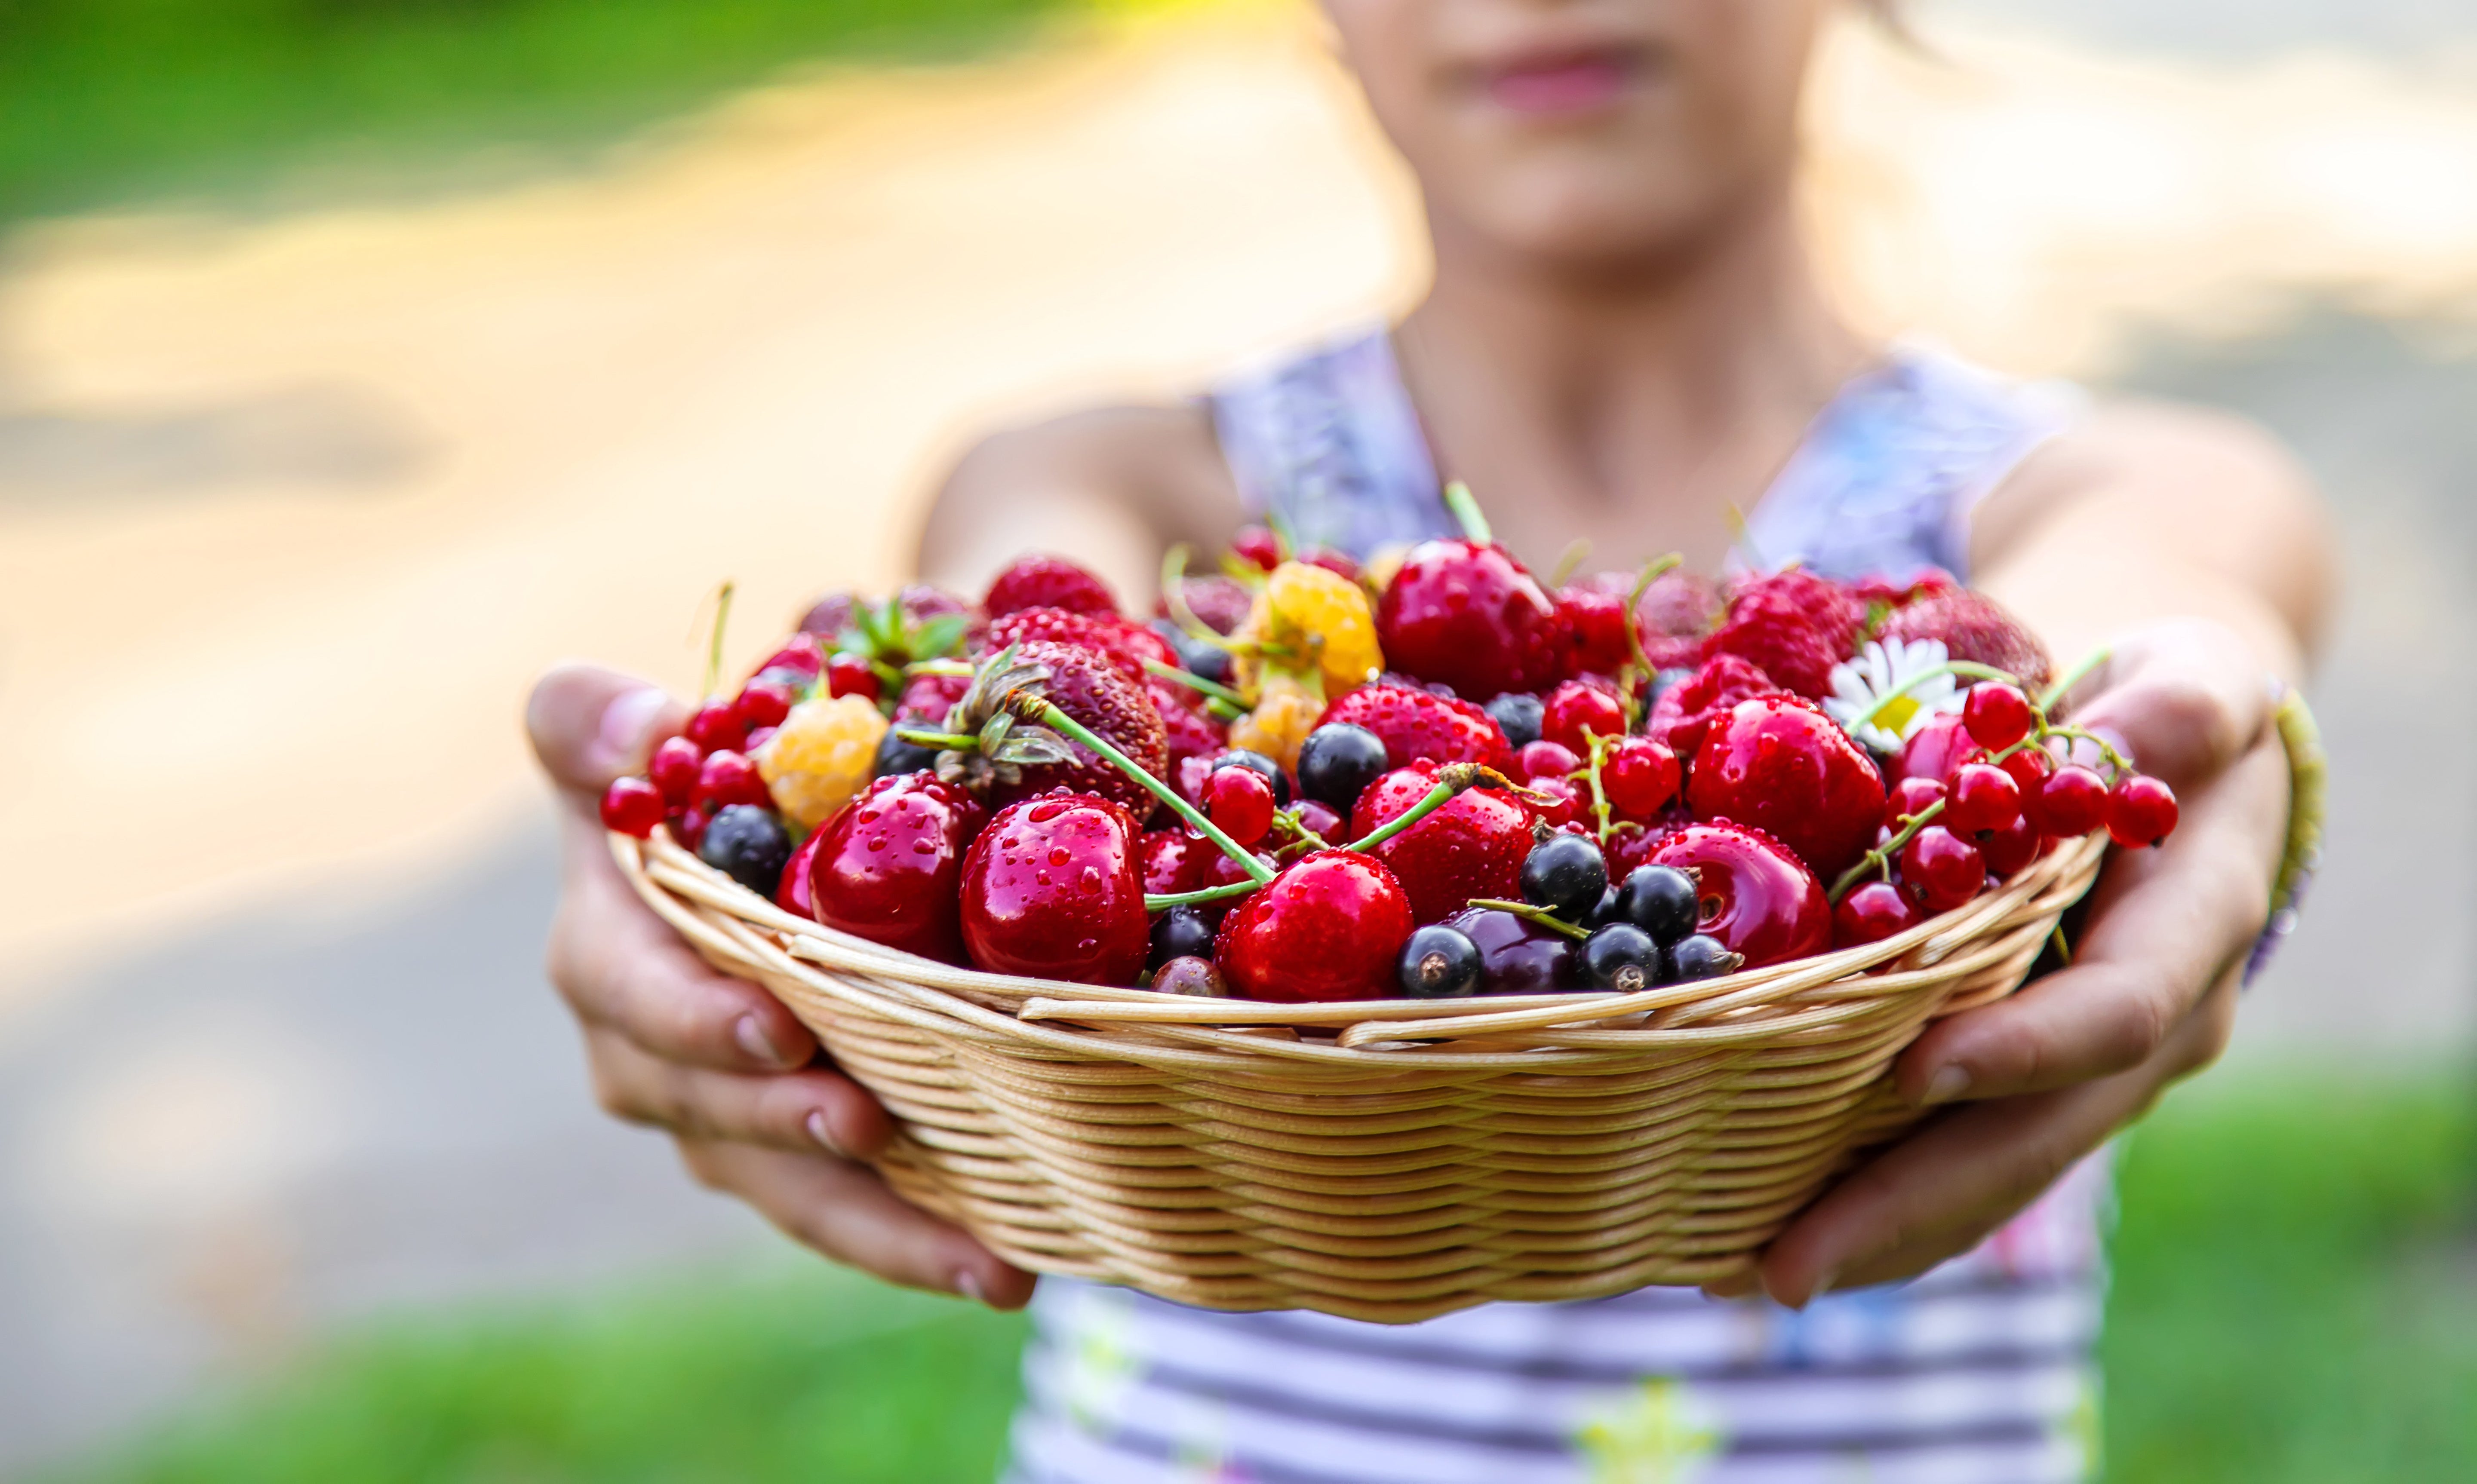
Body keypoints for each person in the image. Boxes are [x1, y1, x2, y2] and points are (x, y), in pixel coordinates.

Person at [528, 0, 2333, 1477]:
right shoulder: (1138, 490)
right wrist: (746, 848)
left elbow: (2163, 612)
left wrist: (2216, 742)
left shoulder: (2083, 496)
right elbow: (979, 682)